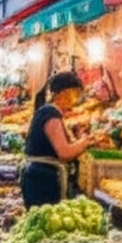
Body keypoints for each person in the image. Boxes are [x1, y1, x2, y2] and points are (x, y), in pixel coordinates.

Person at [20, 73, 96, 208]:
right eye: (75, 93)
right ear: (65, 93)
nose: (76, 99)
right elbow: (64, 152)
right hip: (44, 180)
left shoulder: (46, 111)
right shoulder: (51, 114)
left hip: (36, 176)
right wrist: (85, 142)